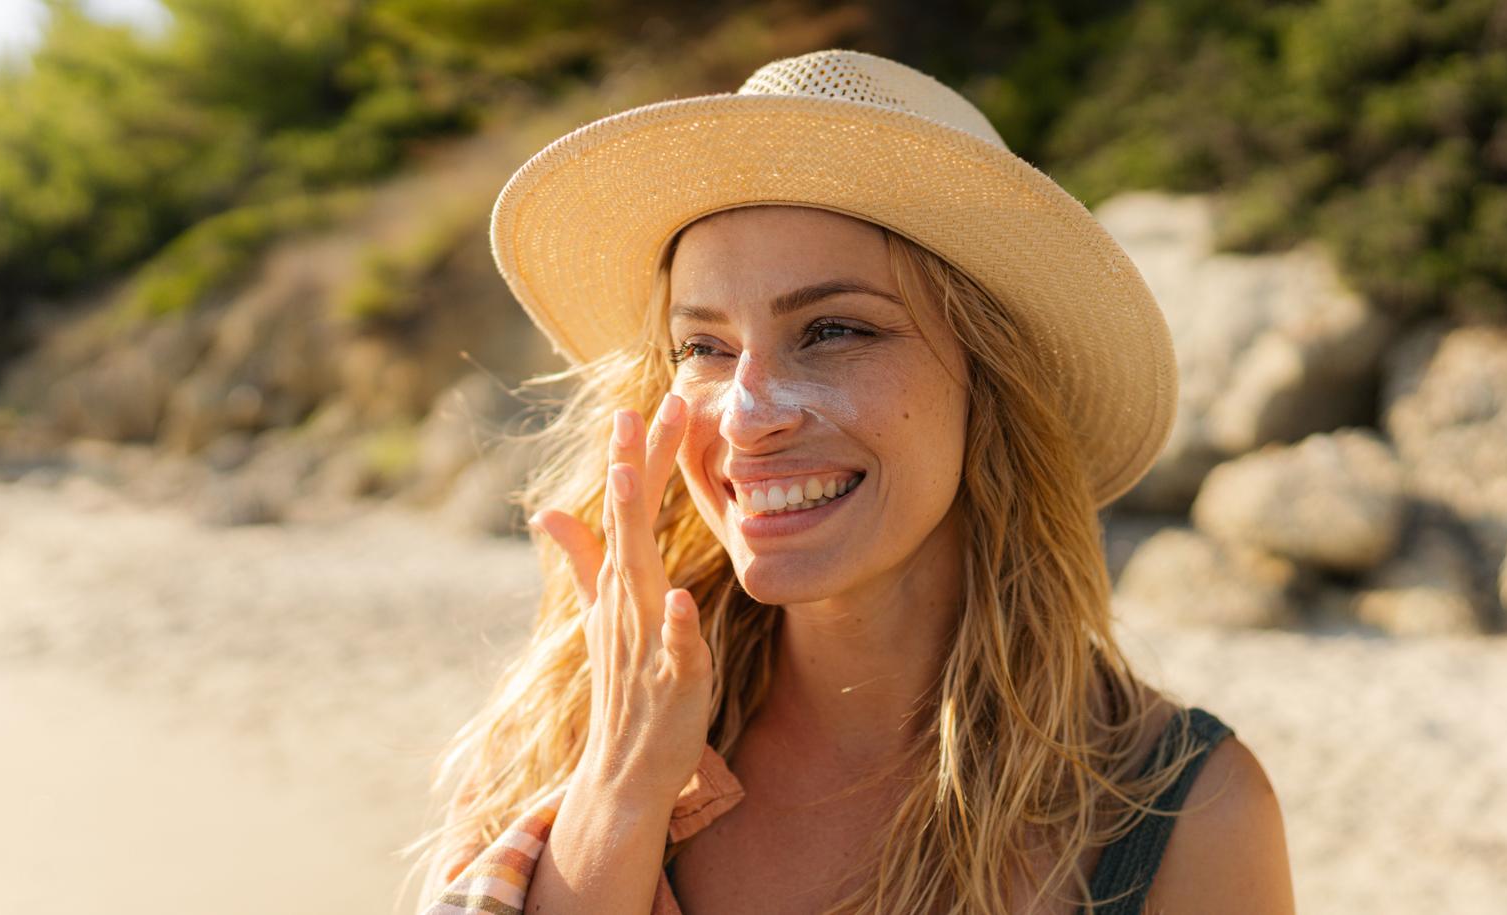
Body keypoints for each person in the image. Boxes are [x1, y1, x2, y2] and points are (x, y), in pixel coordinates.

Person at [410, 49, 1293, 914]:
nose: (748, 414)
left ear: (991, 383)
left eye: (833, 330)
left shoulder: (1178, 812)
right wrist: (619, 794)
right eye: (703, 347)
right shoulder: (564, 733)